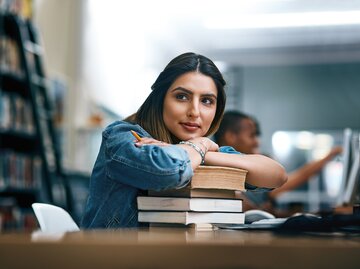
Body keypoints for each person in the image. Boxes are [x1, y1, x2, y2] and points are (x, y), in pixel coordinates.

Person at [81, 53, 287, 229]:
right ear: (160, 98)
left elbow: (276, 175)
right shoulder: (121, 136)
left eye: (207, 101)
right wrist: (199, 146)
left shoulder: (201, 152)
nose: (194, 112)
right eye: (182, 97)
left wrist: (202, 152)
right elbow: (170, 170)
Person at [214, 110, 343, 212]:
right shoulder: (215, 172)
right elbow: (299, 176)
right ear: (231, 136)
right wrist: (332, 154)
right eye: (251, 135)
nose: (257, 141)